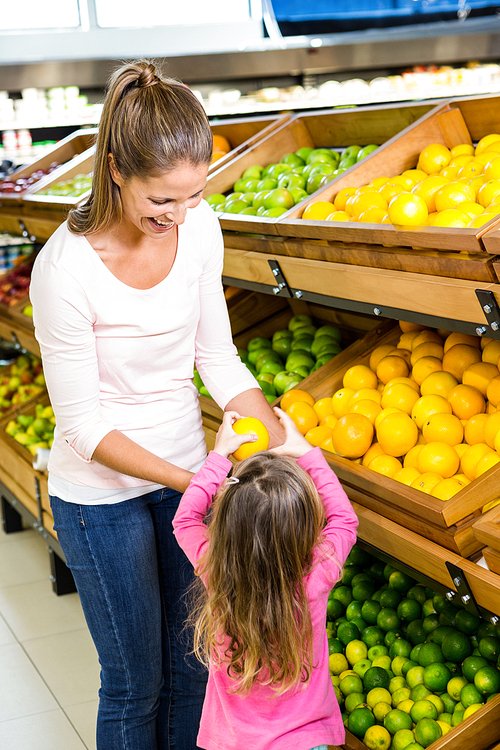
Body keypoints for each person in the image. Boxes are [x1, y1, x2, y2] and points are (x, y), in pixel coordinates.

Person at [29, 59, 283, 750]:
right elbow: (82, 426)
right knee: (135, 683)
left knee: (193, 668)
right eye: (161, 202)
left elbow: (218, 358)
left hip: (185, 482)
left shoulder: (200, 229)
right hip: (102, 500)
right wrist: (200, 480)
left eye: (193, 196)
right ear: (116, 169)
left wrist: (277, 439)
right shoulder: (65, 270)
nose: (178, 216)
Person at [172, 406, 359, 750]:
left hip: (232, 741)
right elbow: (344, 520)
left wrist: (219, 457)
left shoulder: (217, 568)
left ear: (227, 525)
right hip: (303, 739)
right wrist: (308, 454)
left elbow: (185, 520)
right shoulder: (318, 574)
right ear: (305, 526)